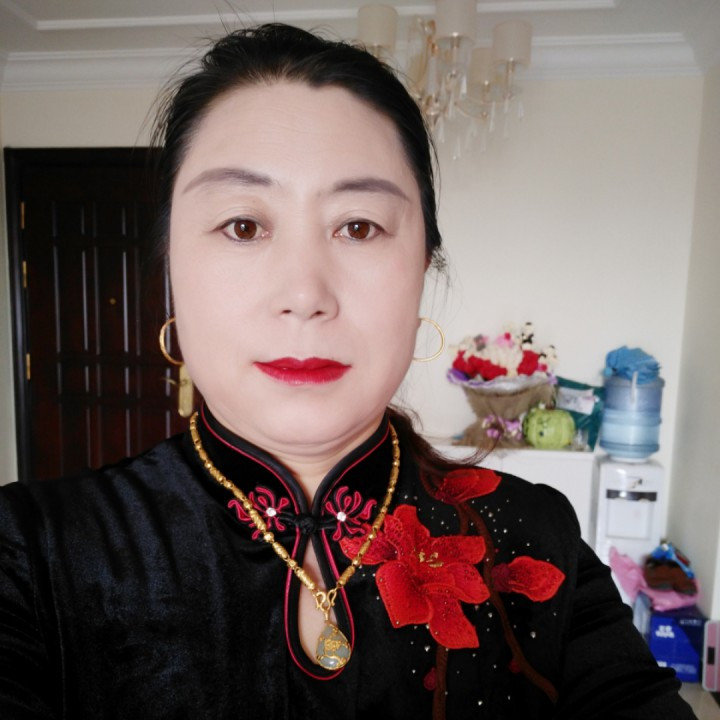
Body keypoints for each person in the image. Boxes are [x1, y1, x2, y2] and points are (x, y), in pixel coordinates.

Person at [0, 24, 697, 720]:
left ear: (424, 268)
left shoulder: (533, 537)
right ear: (171, 267)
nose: (305, 294)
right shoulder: (33, 552)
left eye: (359, 226)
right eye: (243, 225)